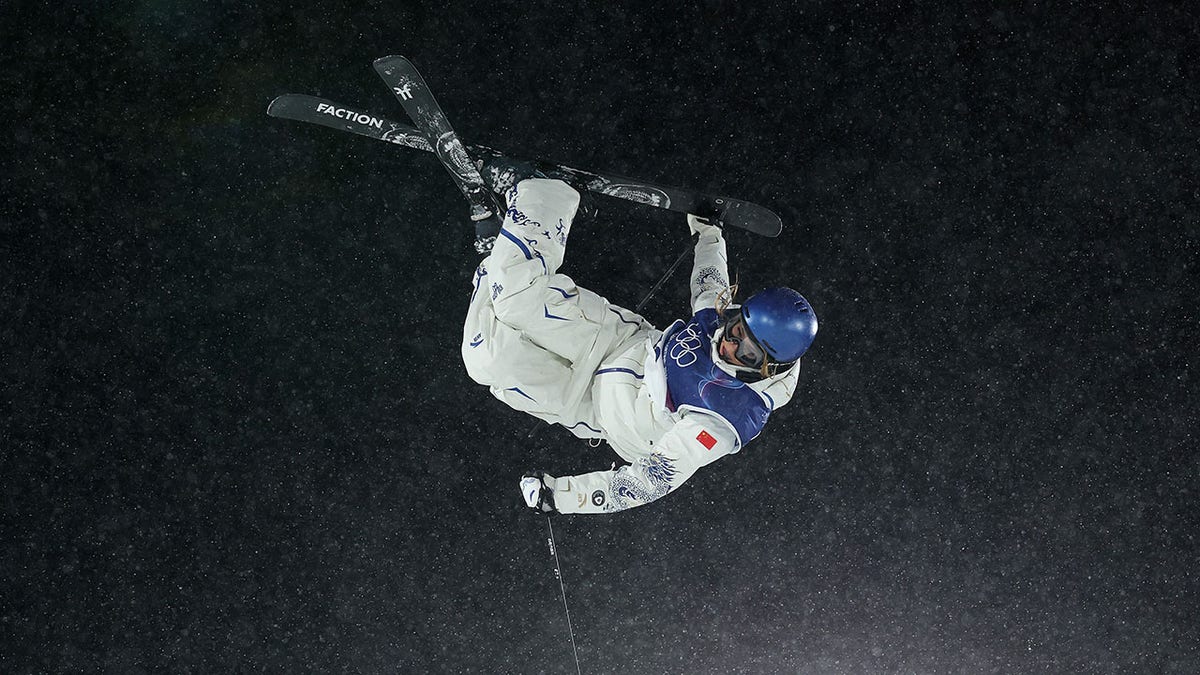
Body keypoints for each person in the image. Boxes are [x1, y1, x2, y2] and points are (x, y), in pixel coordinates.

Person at [461, 176, 817, 514]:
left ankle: (500, 257)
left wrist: (562, 496)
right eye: (736, 330)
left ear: (769, 366)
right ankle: (545, 194)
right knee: (517, 298)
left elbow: (652, 480)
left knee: (485, 359)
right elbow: (710, 285)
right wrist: (709, 233)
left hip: (596, 410)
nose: (729, 345)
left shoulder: (727, 416)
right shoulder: (722, 324)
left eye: (747, 354)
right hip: (615, 342)